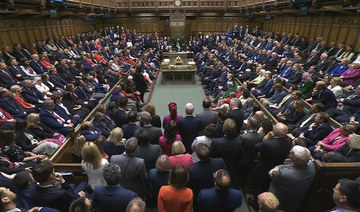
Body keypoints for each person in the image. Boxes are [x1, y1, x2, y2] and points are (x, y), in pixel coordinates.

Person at [250, 123, 292, 210]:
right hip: (276, 169)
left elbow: (256, 146)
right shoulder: (289, 142)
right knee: (267, 186)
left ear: (275, 132)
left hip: (262, 170)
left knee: (258, 187)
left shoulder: (268, 144)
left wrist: (266, 139)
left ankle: (256, 205)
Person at [268, 145, 316, 212]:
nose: (290, 151)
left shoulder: (285, 174)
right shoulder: (312, 166)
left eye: (291, 152)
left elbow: (271, 173)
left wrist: (278, 167)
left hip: (279, 201)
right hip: (295, 201)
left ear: (294, 160)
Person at [188, 144, 227, 212]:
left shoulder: (192, 169)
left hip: (201, 199)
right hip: (218, 195)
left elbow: (191, 186)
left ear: (198, 155)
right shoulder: (220, 162)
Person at [211, 118, 243, 188]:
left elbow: (212, 156)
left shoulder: (216, 142)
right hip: (232, 170)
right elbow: (240, 157)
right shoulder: (239, 142)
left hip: (217, 169)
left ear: (223, 128)